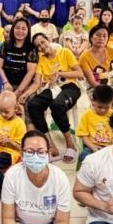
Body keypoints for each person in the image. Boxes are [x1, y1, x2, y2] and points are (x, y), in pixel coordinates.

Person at [20, 33, 84, 163]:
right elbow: (37, 83)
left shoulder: (64, 52)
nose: (42, 46)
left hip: (70, 86)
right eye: (38, 46)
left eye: (43, 42)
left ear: (48, 40)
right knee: (33, 104)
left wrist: (60, 74)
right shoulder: (42, 60)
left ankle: (70, 144)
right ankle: (51, 146)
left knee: (57, 105)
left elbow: (79, 73)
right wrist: (26, 93)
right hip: (53, 89)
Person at [0, 17, 38, 97]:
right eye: (17, 28)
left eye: (23, 29)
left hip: (24, 86)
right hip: (5, 84)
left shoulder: (31, 48)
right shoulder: (5, 45)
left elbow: (30, 72)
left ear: (28, 31)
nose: (20, 31)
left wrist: (18, 92)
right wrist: (5, 82)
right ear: (13, 29)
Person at [77, 84, 113, 164]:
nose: (103, 110)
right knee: (83, 156)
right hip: (92, 146)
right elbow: (84, 136)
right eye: (100, 107)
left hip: (110, 148)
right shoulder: (87, 115)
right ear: (93, 101)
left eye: (107, 107)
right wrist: (94, 148)